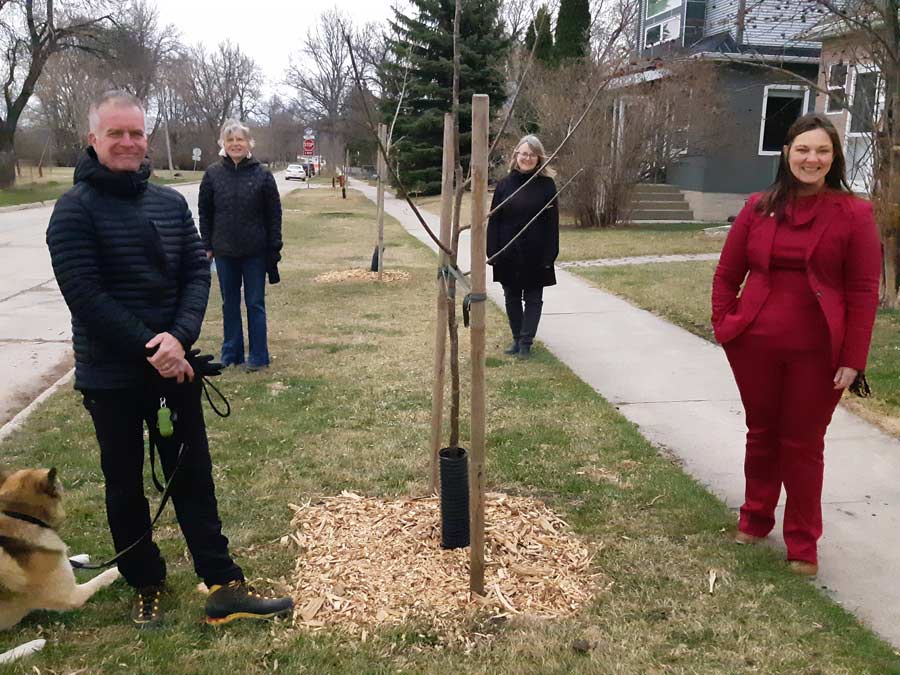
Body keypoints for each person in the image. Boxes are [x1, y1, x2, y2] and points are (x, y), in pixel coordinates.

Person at [46, 91, 293, 628]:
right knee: (125, 484)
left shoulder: (168, 204)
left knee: (192, 475)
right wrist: (153, 348)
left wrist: (178, 340)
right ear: (94, 139)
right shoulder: (73, 211)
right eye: (117, 133)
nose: (130, 142)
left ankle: (223, 582)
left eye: (137, 133)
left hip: (175, 369)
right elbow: (85, 294)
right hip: (110, 376)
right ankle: (145, 580)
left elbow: (194, 274)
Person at [711, 113, 881, 577]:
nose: (812, 158)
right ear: (787, 153)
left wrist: (854, 359)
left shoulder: (855, 213)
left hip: (819, 352)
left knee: (803, 443)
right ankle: (755, 518)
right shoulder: (757, 207)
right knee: (761, 433)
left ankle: (803, 544)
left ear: (834, 158)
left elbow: (865, 290)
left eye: (822, 151)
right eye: (803, 149)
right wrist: (724, 325)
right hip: (755, 346)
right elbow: (728, 274)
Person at [199, 119, 282, 372]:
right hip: (224, 252)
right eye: (231, 140)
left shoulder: (263, 174)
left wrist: (273, 248)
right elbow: (205, 212)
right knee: (229, 304)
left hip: (255, 251)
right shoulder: (212, 174)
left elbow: (274, 215)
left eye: (240, 140)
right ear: (223, 144)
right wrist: (207, 245)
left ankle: (258, 356)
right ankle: (231, 353)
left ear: (249, 144)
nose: (236, 144)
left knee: (255, 303)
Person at [487, 134, 560, 359]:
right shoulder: (504, 185)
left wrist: (550, 255)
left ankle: (527, 343)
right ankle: (517, 339)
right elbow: (494, 220)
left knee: (533, 298)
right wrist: (493, 251)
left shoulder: (547, 186)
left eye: (532, 155)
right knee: (511, 297)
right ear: (516, 155)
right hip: (508, 251)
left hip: (536, 253)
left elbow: (552, 224)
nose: (527, 158)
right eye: (523, 154)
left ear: (539, 158)